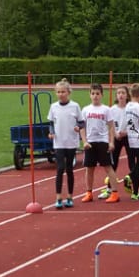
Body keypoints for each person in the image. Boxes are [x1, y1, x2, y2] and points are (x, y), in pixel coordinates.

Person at [48, 79, 83, 209]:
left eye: (63, 92)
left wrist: (78, 127)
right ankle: (58, 198)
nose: (61, 94)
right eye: (58, 92)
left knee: (69, 169)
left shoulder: (75, 106)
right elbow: (51, 122)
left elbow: (81, 122)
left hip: (71, 142)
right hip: (59, 142)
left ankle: (69, 197)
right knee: (60, 168)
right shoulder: (53, 107)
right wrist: (51, 132)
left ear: (68, 92)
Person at [79, 83, 114, 202]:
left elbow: (111, 127)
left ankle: (114, 192)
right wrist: (84, 141)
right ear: (89, 95)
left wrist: (111, 142)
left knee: (108, 167)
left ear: (102, 95)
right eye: (93, 93)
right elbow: (82, 127)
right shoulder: (85, 110)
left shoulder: (106, 109)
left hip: (103, 142)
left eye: (97, 94)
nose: (95, 96)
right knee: (89, 169)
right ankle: (89, 193)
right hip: (90, 142)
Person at [106, 84, 131, 201]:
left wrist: (125, 132)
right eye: (119, 93)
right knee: (113, 163)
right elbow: (110, 125)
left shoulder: (130, 108)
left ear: (127, 95)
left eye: (123, 93)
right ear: (116, 95)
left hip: (128, 137)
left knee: (132, 161)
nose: (121, 95)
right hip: (116, 137)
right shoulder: (112, 110)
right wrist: (115, 134)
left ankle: (133, 187)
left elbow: (133, 124)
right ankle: (109, 188)